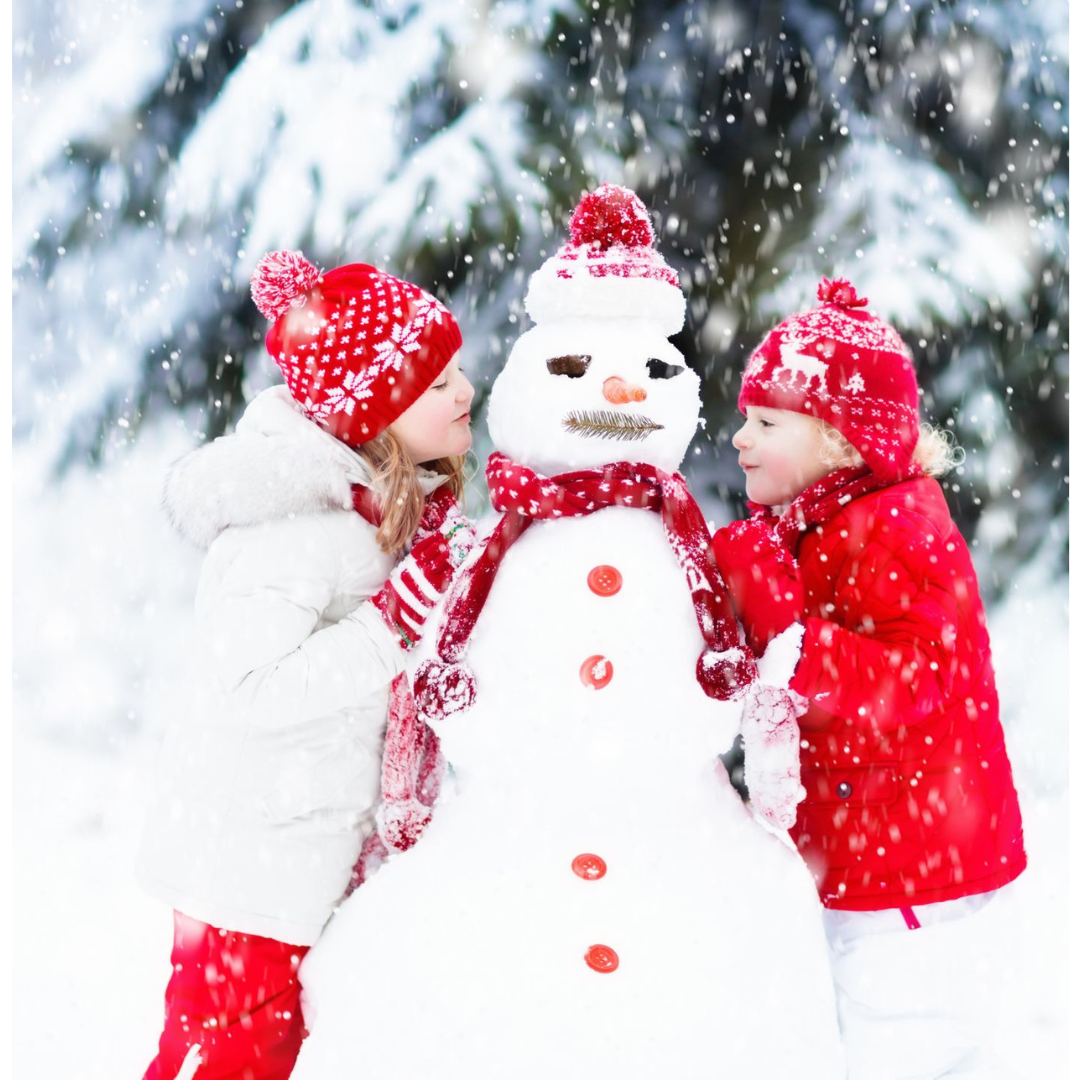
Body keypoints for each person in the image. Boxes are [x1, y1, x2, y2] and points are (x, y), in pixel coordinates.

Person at [137, 250, 475, 1080]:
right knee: (233, 1058)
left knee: (234, 1054)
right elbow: (248, 687)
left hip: (297, 855)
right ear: (374, 415)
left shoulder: (372, 512)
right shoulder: (292, 523)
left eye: (459, 370)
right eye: (435, 385)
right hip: (251, 871)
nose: (465, 390)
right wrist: (393, 622)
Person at [712, 277, 1027, 1080]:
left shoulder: (891, 526)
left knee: (903, 1042)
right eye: (746, 416)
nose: (740, 438)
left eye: (767, 421)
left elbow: (917, 677)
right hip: (879, 868)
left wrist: (792, 638)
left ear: (840, 441)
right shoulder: (818, 524)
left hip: (916, 885)